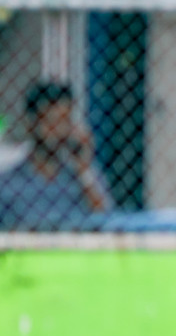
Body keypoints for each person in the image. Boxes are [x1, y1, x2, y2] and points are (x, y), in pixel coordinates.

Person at [0, 82, 113, 230]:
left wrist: (83, 169)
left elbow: (107, 218)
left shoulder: (83, 175)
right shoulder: (9, 181)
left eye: (64, 121)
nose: (58, 129)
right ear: (31, 124)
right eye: (51, 121)